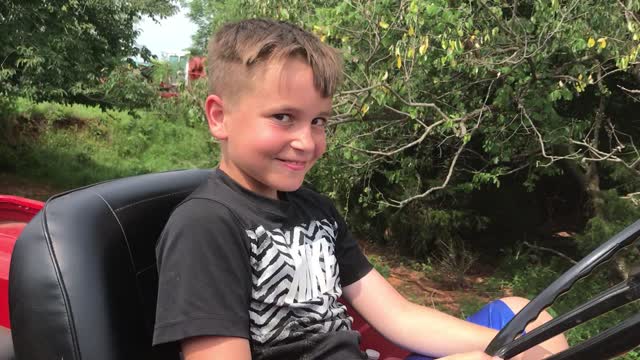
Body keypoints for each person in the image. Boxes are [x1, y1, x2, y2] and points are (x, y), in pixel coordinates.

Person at [152, 18, 569, 360]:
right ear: (219, 117)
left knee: (530, 319)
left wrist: (516, 346)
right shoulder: (205, 226)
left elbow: (398, 316)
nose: (307, 141)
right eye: (283, 117)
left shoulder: (314, 209)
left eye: (319, 121)